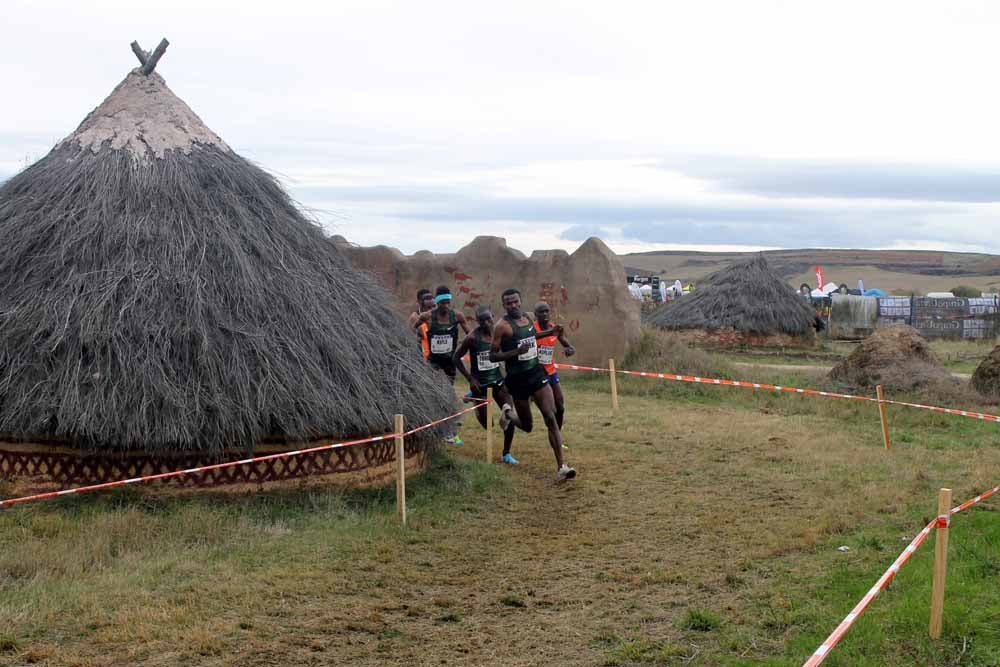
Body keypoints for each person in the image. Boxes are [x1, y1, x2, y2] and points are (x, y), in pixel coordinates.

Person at [490, 288, 576, 481]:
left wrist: (550, 332)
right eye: (508, 303)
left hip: (536, 373)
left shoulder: (529, 318)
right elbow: (492, 355)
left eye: (515, 301)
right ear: (504, 305)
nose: (513, 305)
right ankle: (509, 415)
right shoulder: (501, 326)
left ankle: (562, 467)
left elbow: (530, 337)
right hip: (517, 379)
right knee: (527, 426)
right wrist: (516, 352)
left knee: (550, 416)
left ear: (520, 301)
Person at [454, 306, 518, 464]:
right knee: (488, 423)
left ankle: (506, 453)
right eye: (482, 320)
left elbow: (507, 354)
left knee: (509, 415)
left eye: (488, 319)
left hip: (498, 382)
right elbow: (456, 358)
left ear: (492, 317)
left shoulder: (500, 334)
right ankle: (475, 402)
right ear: (477, 321)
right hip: (479, 385)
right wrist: (470, 379)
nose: (486, 322)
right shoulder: (472, 338)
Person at [414, 286, 470, 445]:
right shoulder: (427, 316)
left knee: (445, 395)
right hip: (434, 364)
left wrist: (466, 346)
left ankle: (444, 429)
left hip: (450, 364)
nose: (446, 305)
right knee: (443, 396)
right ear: (437, 303)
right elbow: (413, 327)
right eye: (443, 303)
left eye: (448, 302)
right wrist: (415, 339)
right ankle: (447, 432)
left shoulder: (457, 316)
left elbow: (470, 334)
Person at [533, 301, 575, 442]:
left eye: (547, 311)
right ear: (535, 315)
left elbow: (567, 344)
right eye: (541, 312)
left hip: (550, 371)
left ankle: (557, 436)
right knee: (550, 410)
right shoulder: (532, 329)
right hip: (536, 373)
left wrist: (569, 349)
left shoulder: (554, 328)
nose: (545, 314)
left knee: (561, 407)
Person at [408, 288, 435, 359]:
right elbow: (410, 336)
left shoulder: (435, 314)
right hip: (421, 353)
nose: (431, 309)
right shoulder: (414, 317)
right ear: (420, 302)